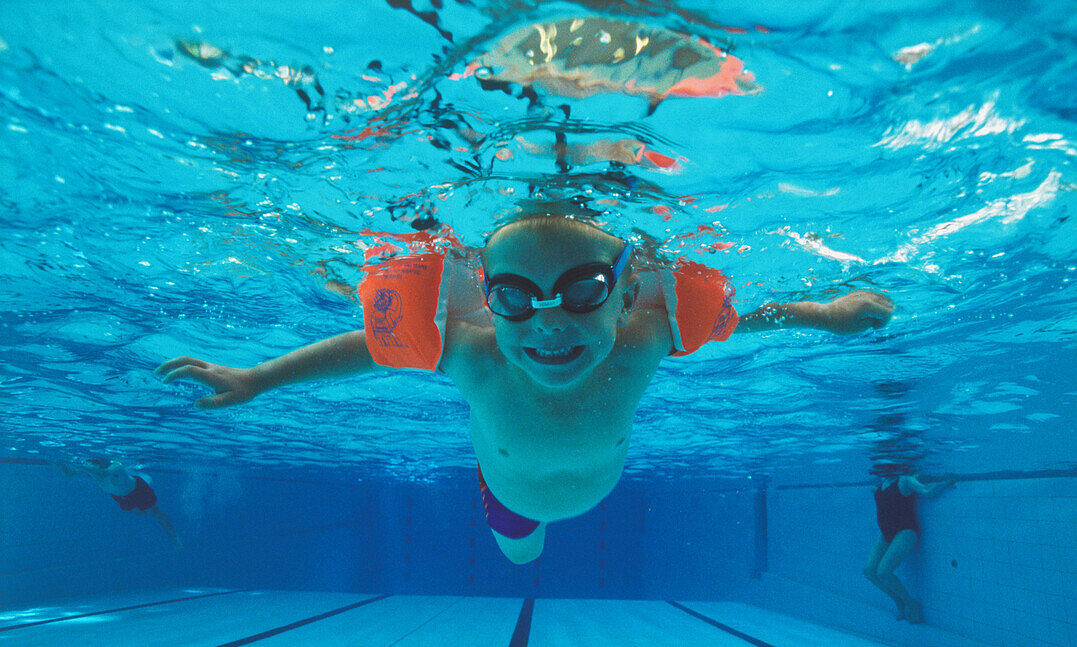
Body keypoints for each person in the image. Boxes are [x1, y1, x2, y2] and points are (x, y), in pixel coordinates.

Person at [156, 214, 894, 564]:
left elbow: (739, 320)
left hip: (581, 484)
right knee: (523, 557)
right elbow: (374, 347)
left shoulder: (642, 342)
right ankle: (509, 520)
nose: (548, 325)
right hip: (507, 499)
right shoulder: (475, 357)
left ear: (626, 292)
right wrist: (258, 377)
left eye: (582, 290)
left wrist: (825, 315)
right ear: (487, 297)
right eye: (512, 297)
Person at [863, 472, 954, 623]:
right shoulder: (881, 483)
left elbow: (927, 491)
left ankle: (912, 604)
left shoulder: (905, 480)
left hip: (906, 530)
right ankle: (898, 600)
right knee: (869, 571)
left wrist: (944, 483)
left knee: (884, 572)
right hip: (887, 533)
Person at [59, 457, 183, 550]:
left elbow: (104, 473)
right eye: (94, 462)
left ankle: (174, 537)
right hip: (118, 494)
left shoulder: (115, 465)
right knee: (140, 513)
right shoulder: (92, 469)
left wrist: (81, 467)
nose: (95, 463)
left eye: (97, 461)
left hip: (137, 489)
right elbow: (69, 473)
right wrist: (59, 463)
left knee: (155, 513)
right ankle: (142, 507)